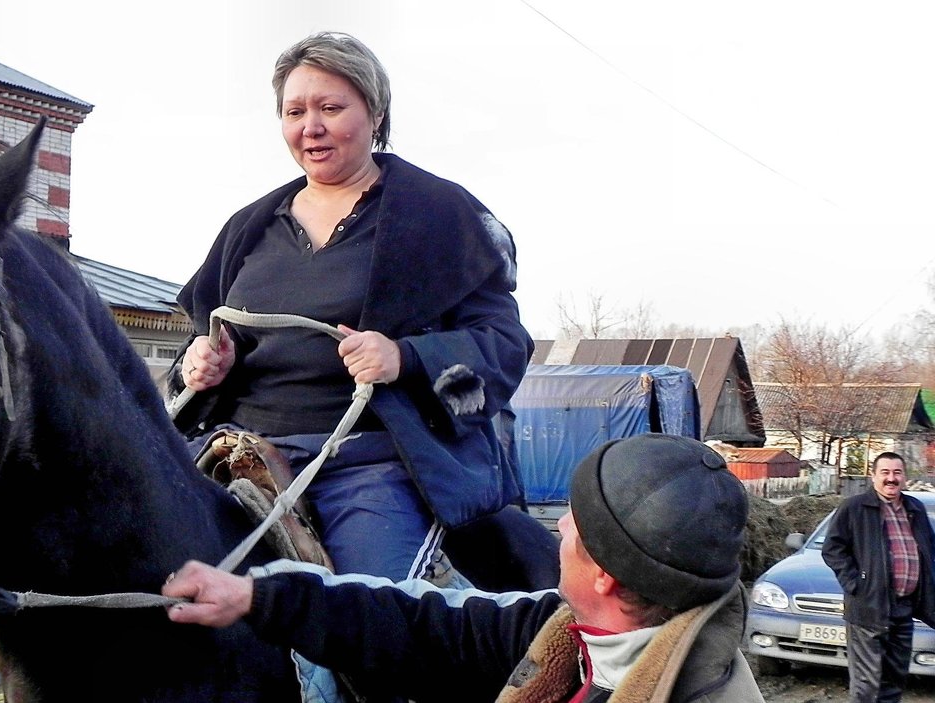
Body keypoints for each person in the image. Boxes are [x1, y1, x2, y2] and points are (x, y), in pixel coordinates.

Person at [167, 31, 533, 582]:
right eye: (294, 111)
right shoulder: (248, 228)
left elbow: (505, 348)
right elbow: (200, 344)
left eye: (331, 108)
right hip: (239, 455)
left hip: (370, 464)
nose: (309, 127)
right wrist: (202, 366)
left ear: (376, 112)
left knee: (362, 621)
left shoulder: (441, 216)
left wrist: (404, 358)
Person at [161, 433, 765, 703]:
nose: (557, 526)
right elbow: (422, 622)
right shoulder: (560, 632)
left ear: (605, 574)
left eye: (575, 522)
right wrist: (257, 598)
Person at [822, 452, 935, 702]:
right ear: (873, 476)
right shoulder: (854, 507)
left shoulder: (914, 508)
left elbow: (928, 550)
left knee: (894, 681)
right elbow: (832, 549)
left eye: (897, 473)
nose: (891, 479)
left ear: (904, 477)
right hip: (869, 609)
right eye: (885, 472)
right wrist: (857, 583)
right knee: (867, 687)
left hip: (903, 609)